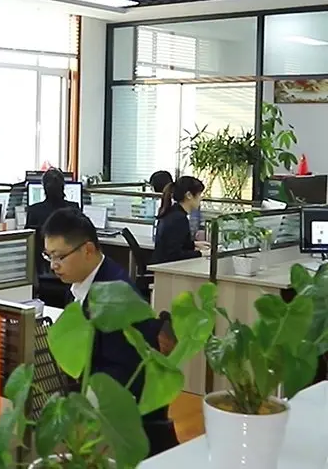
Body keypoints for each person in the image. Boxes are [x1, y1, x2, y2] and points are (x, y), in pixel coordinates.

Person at [41, 208, 177, 455]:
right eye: (48, 256)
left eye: (59, 257)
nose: (53, 266)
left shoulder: (114, 298)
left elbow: (120, 374)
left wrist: (76, 402)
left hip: (122, 419)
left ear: (88, 250)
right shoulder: (81, 283)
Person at [26, 168, 80, 306]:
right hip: (69, 271)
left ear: (44, 188)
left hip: (44, 274)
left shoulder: (34, 211)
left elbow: (29, 243)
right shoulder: (73, 209)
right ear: (63, 187)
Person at [151, 176, 209, 264]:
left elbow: (176, 243)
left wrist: (194, 245)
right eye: (199, 194)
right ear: (189, 195)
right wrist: (201, 253)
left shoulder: (173, 212)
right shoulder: (178, 219)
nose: (201, 198)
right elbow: (174, 255)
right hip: (166, 268)